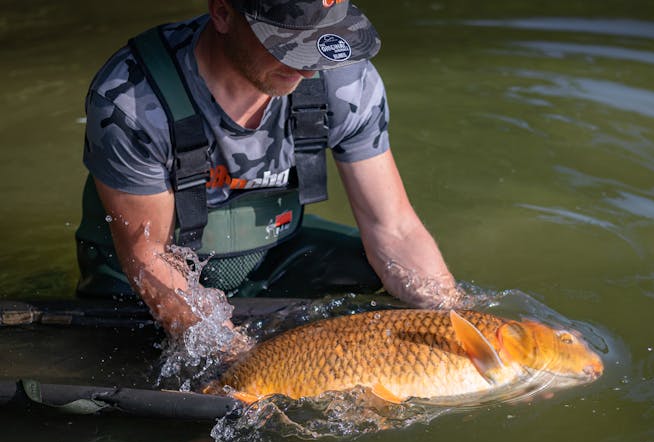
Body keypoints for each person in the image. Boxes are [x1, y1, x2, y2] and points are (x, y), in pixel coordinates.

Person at [75, 0, 459, 337]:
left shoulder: (343, 79)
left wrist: (455, 323)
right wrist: (233, 356)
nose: (309, 70)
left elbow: (393, 228)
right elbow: (149, 256)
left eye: (320, 40)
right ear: (222, 12)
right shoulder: (132, 101)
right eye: (288, 45)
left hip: (274, 255)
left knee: (390, 285)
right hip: (141, 280)